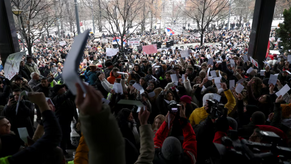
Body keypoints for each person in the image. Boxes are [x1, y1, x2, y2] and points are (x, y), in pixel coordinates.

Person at [51, 84, 78, 157]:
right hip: (61, 119)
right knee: (62, 135)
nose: (64, 89)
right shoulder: (57, 98)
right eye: (62, 88)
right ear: (58, 91)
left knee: (68, 132)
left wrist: (76, 118)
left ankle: (68, 144)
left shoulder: (67, 97)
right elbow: (67, 94)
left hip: (68, 118)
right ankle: (62, 150)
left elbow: (73, 106)